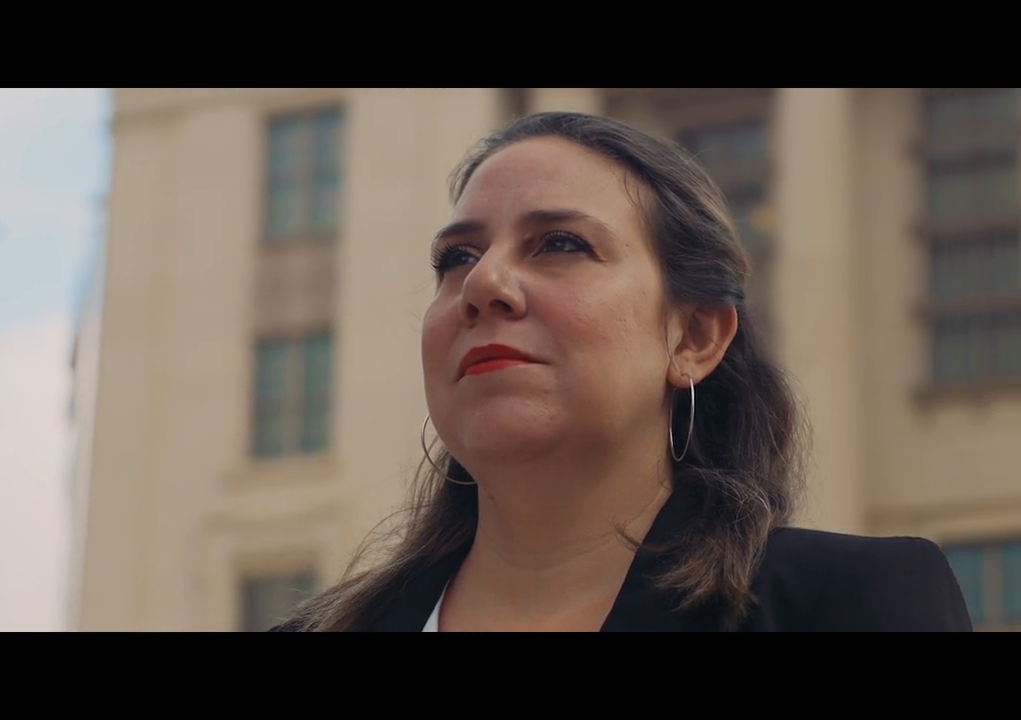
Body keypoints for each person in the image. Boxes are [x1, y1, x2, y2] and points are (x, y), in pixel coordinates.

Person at [271, 111, 973, 632]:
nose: (483, 283)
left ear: (694, 337)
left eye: (559, 244)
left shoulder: (850, 601)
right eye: (457, 258)